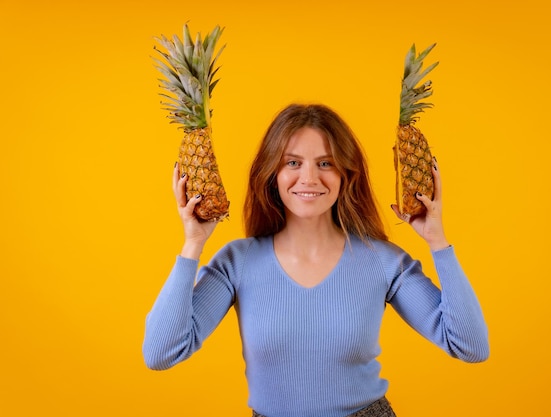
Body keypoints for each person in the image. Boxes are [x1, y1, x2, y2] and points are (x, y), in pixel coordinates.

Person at [143, 103, 489, 417]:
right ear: (272, 175)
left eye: (326, 163)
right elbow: (161, 353)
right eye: (292, 162)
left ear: (345, 175)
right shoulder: (238, 262)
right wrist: (193, 244)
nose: (309, 178)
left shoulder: (384, 262)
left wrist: (437, 241)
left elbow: (470, 345)